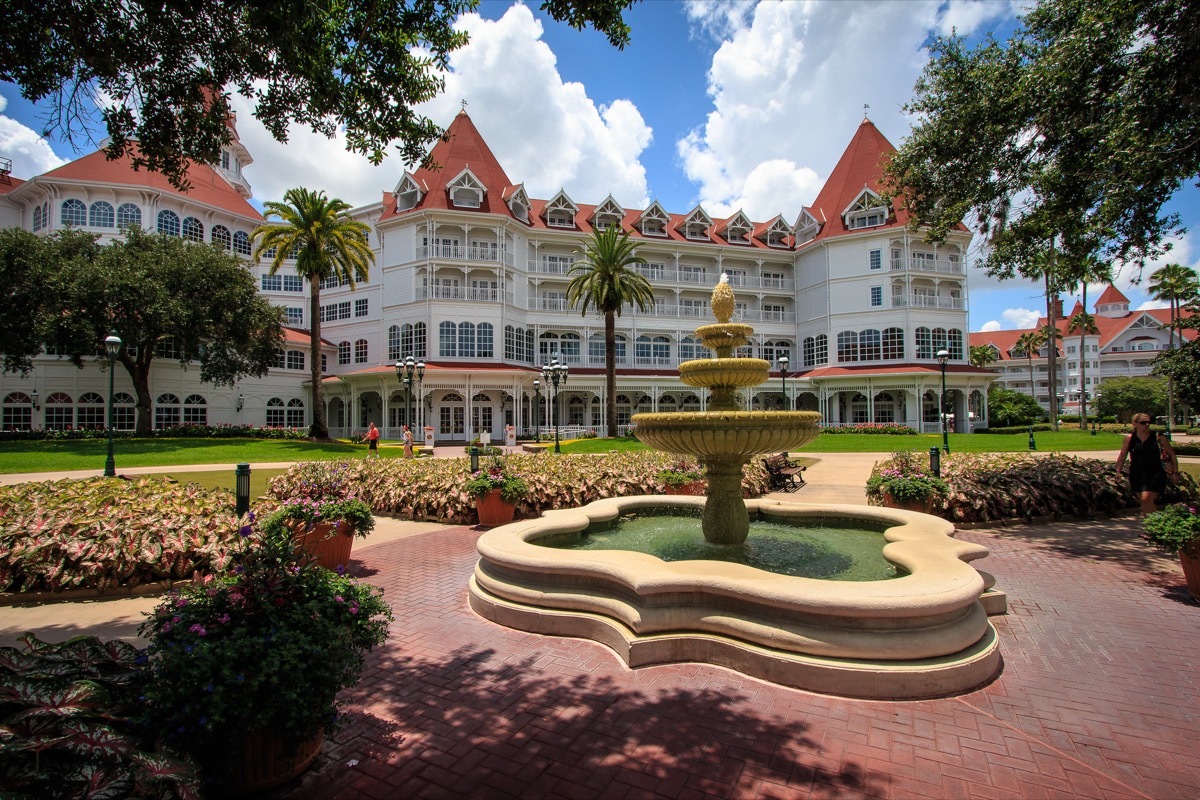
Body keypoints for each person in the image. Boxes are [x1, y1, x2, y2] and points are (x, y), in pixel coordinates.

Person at [1115, 413, 1178, 515]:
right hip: (1137, 473)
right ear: (1134, 424)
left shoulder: (1158, 437)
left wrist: (1175, 472)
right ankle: (1151, 525)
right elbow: (1122, 456)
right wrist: (1118, 471)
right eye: (1143, 422)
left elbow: (1172, 455)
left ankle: (1154, 525)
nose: (1147, 424)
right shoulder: (1129, 439)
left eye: (1149, 422)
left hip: (1155, 473)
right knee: (1144, 501)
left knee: (1146, 498)